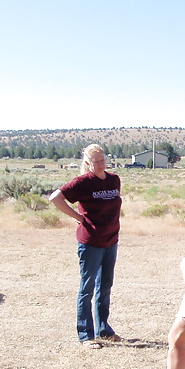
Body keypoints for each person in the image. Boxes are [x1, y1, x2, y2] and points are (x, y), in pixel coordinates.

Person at [48, 145, 122, 349]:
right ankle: (85, 335)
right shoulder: (83, 182)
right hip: (91, 243)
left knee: (105, 286)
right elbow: (55, 198)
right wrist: (78, 217)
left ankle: (103, 329)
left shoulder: (114, 179)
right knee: (87, 288)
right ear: (88, 163)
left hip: (110, 241)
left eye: (103, 159)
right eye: (96, 161)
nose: (101, 164)